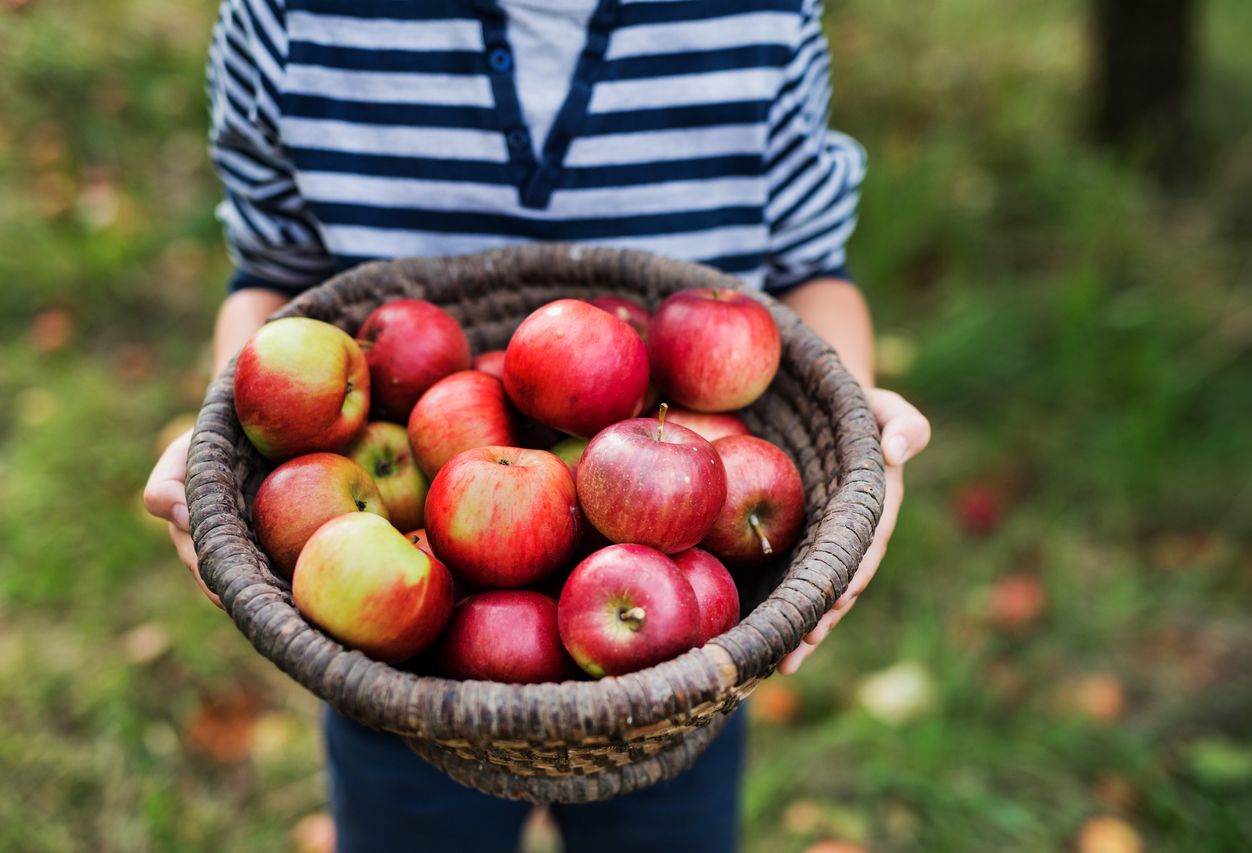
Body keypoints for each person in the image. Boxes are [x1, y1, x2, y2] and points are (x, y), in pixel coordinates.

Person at [143, 0, 931, 850]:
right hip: (403, 667)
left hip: (687, 658)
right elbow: (273, 277)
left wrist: (854, 421)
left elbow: (814, 265)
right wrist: (238, 437)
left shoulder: (762, 16)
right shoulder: (290, 18)